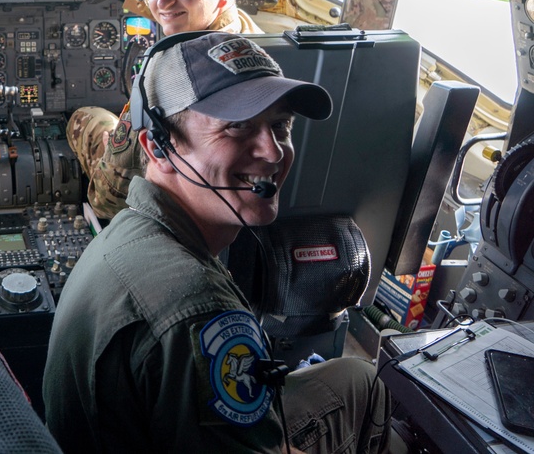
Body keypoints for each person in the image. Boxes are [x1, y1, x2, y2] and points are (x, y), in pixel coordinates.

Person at [44, 32, 397, 454]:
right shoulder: (198, 309)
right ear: (158, 149)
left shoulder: (132, 226)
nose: (273, 152)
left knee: (358, 378)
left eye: (280, 126)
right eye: (237, 127)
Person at [69, 0, 260, 220]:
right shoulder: (251, 39)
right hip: (233, 191)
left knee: (84, 117)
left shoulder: (166, 78)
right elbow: (176, 3)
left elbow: (108, 200)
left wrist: (112, 145)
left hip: (178, 208)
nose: (162, 2)